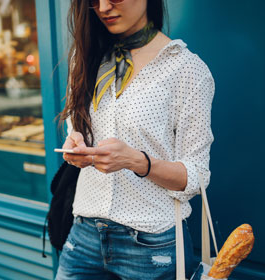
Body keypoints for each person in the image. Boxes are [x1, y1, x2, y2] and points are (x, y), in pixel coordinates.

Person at [57, 0, 215, 279]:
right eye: (94, 1)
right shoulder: (84, 58)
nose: (103, 7)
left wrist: (137, 161)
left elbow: (197, 176)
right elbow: (76, 128)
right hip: (82, 235)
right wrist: (75, 145)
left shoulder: (185, 69)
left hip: (152, 246)